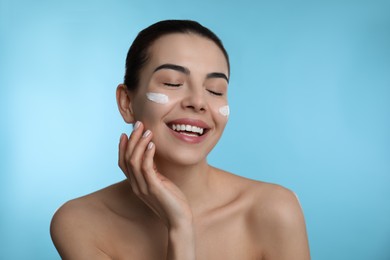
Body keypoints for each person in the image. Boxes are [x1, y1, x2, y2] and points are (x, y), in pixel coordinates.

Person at [50, 19, 310, 259]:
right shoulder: (79, 222)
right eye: (173, 83)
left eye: (215, 90)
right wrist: (180, 228)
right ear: (127, 102)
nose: (198, 102)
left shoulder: (274, 210)